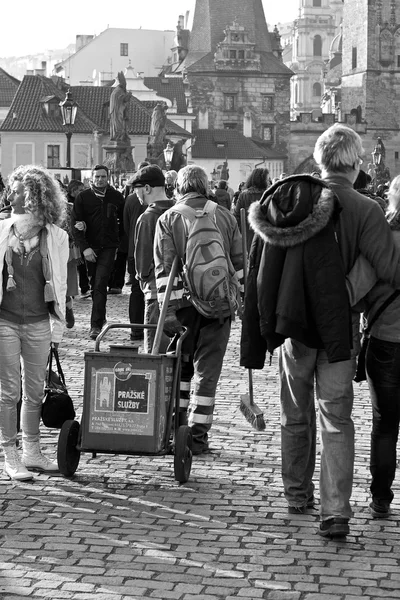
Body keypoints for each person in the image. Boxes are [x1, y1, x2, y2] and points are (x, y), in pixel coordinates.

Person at [241, 123, 400, 539]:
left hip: (292, 327)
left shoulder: (290, 200)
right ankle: (335, 512)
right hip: (339, 330)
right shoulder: (365, 209)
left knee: (295, 414)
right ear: (356, 164)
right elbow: (391, 270)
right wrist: (352, 290)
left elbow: (262, 273)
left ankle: (297, 494)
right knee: (336, 418)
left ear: (319, 159)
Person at [154, 165, 243, 455]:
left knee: (180, 370)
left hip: (183, 308)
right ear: (205, 186)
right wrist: (239, 300)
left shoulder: (168, 219)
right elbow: (239, 266)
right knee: (208, 373)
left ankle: (175, 430)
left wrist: (168, 312)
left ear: (178, 188)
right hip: (219, 306)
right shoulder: (226, 216)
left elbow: (164, 271)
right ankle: (198, 436)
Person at [0, 165, 68, 480]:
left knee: (35, 390)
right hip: (6, 322)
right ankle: (10, 455)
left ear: (29, 194)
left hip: (40, 322)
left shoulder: (56, 236)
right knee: (9, 391)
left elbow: (62, 286)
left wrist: (57, 330)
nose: (7, 194)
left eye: (13, 189)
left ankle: (32, 451)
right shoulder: (2, 230)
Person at [347, 174, 400, 519]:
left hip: (386, 340)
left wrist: (370, 308)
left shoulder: (382, 239)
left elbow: (354, 291)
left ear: (393, 198)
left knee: (385, 424)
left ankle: (381, 496)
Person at [71, 165, 124, 340]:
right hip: (90, 247)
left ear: (107, 177)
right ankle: (100, 315)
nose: (100, 179)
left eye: (103, 176)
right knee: (95, 285)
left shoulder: (116, 197)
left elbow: (123, 224)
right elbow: (75, 226)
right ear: (91, 178)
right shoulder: (83, 197)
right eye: (97, 177)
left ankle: (95, 325)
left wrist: (119, 246)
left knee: (101, 282)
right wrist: (84, 248)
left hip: (109, 247)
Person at [130, 165, 174, 352]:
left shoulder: (147, 217)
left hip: (156, 290)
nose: (136, 194)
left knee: (155, 352)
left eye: (137, 189)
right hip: (182, 291)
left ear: (147, 188)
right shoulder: (179, 211)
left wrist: (142, 279)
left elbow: (142, 259)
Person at [124, 161, 149, 341]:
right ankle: (150, 329)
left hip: (133, 250)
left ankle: (136, 329)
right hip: (150, 252)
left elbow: (125, 226)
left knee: (136, 290)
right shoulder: (157, 200)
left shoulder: (130, 199)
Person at [234, 167, 269, 253]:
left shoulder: (244, 195)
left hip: (247, 233)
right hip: (265, 233)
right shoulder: (268, 194)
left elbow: (236, 216)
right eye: (267, 179)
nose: (268, 182)